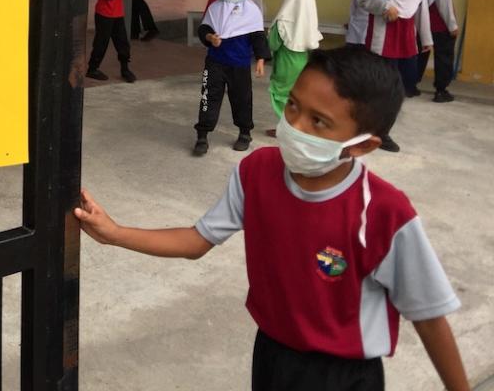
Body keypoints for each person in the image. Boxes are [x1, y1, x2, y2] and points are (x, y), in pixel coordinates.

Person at [75, 46, 469, 391]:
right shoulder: (257, 171)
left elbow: (429, 316)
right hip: (271, 354)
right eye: (293, 105)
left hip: (342, 375)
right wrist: (115, 233)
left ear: (363, 145)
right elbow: (197, 240)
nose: (294, 126)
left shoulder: (384, 212)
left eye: (319, 122)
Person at [359, 0, 432, 152]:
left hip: (406, 34)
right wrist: (384, 5)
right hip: (385, 32)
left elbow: (421, 4)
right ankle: (378, 132)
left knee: (403, 83)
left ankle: (380, 125)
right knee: (381, 83)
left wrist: (426, 37)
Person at [194, 0, 269, 155]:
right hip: (214, 62)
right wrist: (210, 38)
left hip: (239, 65)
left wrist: (260, 58)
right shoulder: (215, 7)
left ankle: (245, 133)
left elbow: (258, 37)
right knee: (208, 97)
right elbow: (203, 29)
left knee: (242, 99)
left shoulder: (252, 10)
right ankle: (202, 134)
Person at [268, 0, 322, 126]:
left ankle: (285, 126)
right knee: (299, 96)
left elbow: (272, 44)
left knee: (281, 95)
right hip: (305, 65)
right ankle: (298, 124)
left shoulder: (282, 22)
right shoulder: (310, 22)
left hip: (285, 65)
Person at [417, 0, 459, 103]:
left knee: (420, 54)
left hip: (422, 23)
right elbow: (445, 4)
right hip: (441, 25)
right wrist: (453, 25)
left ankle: (411, 85)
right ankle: (441, 90)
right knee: (444, 57)